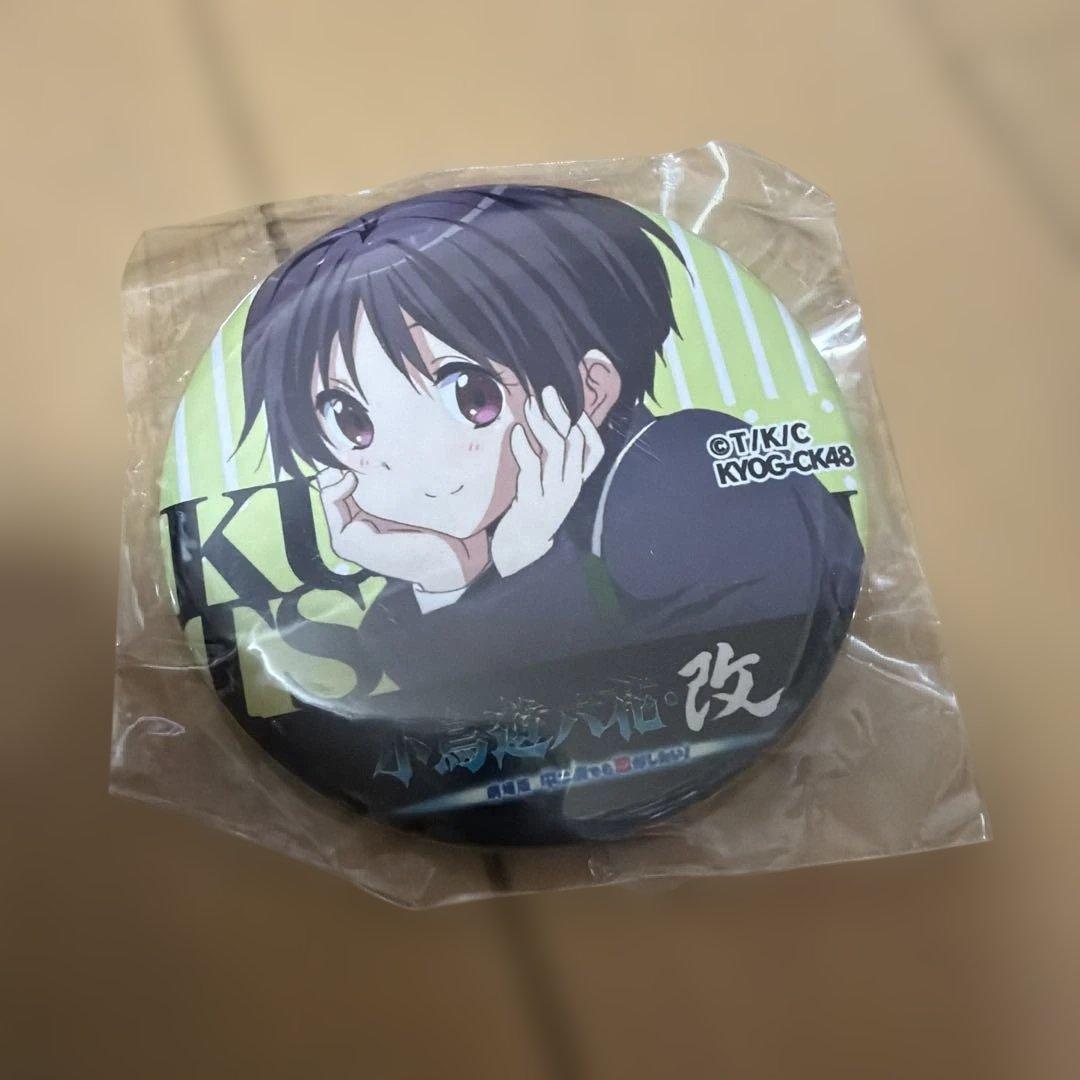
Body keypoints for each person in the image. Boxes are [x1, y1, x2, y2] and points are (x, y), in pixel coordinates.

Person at [238, 185, 863, 712]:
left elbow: (630, 725)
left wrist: (527, 568)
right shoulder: (422, 581)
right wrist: (446, 579)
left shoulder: (688, 477)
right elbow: (455, 735)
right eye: (351, 420)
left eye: (470, 396)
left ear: (591, 389)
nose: (408, 467)